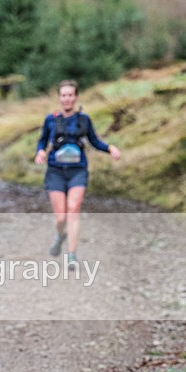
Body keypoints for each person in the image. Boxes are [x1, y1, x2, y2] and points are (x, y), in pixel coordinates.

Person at [34, 80, 121, 268]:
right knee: (61, 217)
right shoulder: (50, 120)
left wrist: (110, 148)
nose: (67, 99)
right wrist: (40, 152)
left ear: (76, 97)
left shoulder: (84, 120)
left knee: (73, 209)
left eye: (70, 95)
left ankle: (71, 255)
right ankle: (60, 234)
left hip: (78, 170)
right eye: (63, 95)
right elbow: (42, 142)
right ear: (59, 98)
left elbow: (95, 141)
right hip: (56, 171)